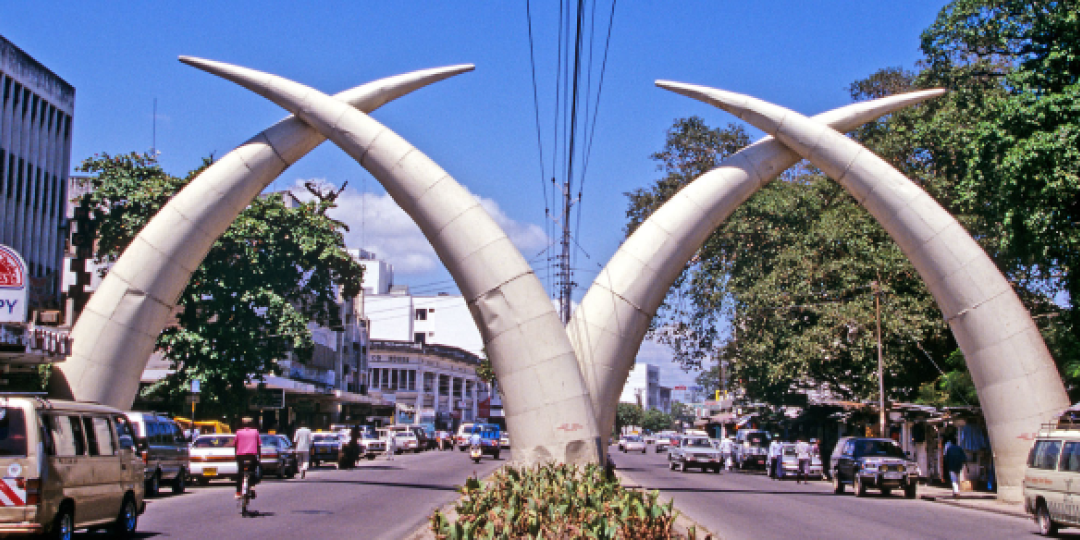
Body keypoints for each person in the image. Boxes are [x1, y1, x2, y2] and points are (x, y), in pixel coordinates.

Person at [234, 418, 261, 499]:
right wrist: (259, 456)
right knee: (253, 471)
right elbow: (259, 445)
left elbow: (235, 444)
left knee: (240, 474)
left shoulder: (238, 432)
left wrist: (236, 455)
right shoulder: (255, 432)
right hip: (252, 456)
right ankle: (252, 486)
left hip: (241, 456)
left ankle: (238, 492)